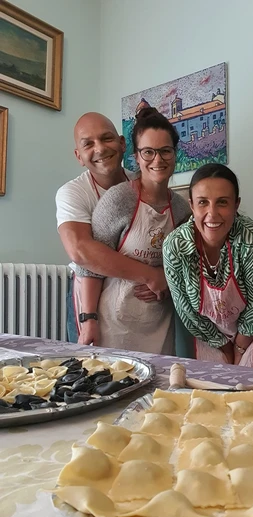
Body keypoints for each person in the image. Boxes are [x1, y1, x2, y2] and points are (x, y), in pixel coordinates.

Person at [74, 108, 191, 353]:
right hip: (113, 321)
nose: (157, 160)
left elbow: (183, 265)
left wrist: (165, 282)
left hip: (159, 320)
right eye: (148, 152)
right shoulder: (119, 199)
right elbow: (90, 266)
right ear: (136, 157)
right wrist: (89, 320)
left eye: (165, 151)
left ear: (175, 154)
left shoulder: (181, 208)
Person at [56, 112, 169, 341]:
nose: (99, 149)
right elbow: (81, 250)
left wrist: (165, 278)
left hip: (142, 302)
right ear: (79, 156)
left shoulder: (144, 184)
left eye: (106, 138)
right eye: (88, 144)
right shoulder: (73, 193)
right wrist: (150, 275)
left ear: (122, 143)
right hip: (92, 302)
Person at [163, 163, 253, 370]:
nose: (212, 213)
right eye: (203, 202)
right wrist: (223, 346)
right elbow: (187, 311)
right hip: (206, 335)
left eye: (222, 202)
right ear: (191, 205)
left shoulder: (251, 238)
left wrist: (238, 348)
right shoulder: (175, 246)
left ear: (236, 205)